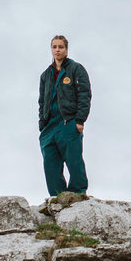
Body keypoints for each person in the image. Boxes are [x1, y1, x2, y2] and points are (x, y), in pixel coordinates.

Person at [37, 34, 91, 197]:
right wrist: (42, 124)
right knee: (50, 163)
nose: (57, 50)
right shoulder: (45, 75)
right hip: (49, 126)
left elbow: (84, 94)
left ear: (66, 49)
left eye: (61, 47)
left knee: (74, 160)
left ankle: (78, 193)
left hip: (68, 122)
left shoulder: (75, 69)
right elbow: (41, 101)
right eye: (54, 47)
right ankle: (58, 197)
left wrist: (80, 120)